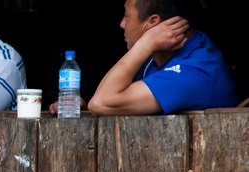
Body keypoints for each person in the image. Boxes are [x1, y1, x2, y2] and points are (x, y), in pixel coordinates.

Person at [84, 0, 237, 115]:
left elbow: (100, 103)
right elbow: (100, 101)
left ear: (152, 22)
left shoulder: (194, 72)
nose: (122, 24)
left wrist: (145, 43)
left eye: (126, 15)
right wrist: (82, 109)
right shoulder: (159, 56)